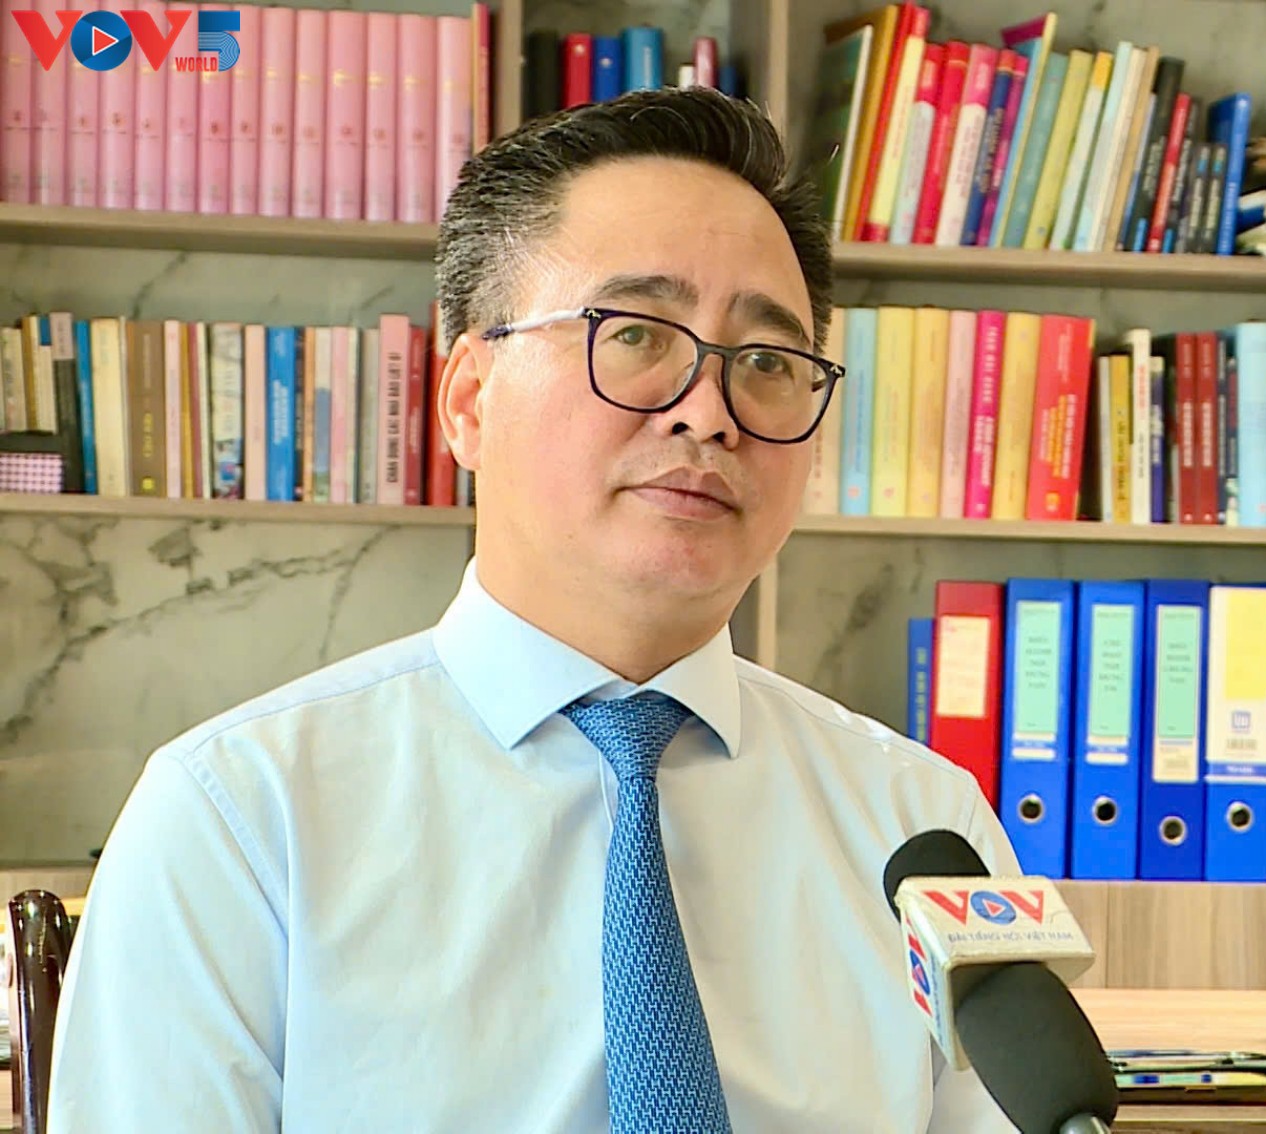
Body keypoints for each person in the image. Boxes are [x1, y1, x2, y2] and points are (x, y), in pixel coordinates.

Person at [48, 87, 1023, 1133]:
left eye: (768, 363)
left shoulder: (925, 824)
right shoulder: (240, 817)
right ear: (469, 399)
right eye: (637, 334)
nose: (709, 412)